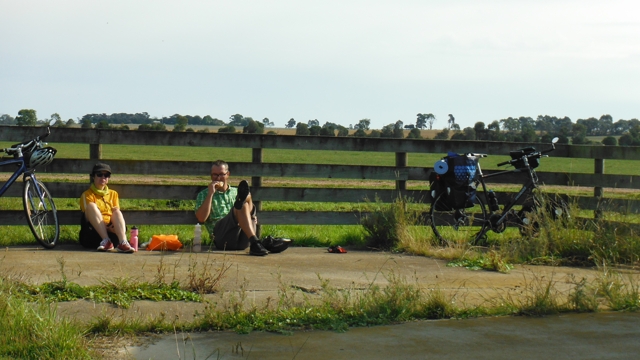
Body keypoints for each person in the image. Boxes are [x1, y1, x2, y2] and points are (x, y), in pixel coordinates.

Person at [195, 160, 269, 256]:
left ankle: (255, 242)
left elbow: (250, 212)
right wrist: (210, 194)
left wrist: (249, 205)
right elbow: (201, 218)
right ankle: (257, 242)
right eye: (214, 175)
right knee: (239, 205)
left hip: (242, 236)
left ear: (228, 174)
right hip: (222, 237)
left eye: (221, 174)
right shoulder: (204, 194)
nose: (218, 178)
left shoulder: (235, 192)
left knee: (244, 204)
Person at [79, 163, 134, 253]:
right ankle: (106, 240)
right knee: (91, 206)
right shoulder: (87, 195)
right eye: (99, 174)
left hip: (112, 234)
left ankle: (123, 242)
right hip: (92, 234)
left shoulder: (113, 194)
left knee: (117, 211)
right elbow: (88, 217)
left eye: (106, 175)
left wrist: (114, 228)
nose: (103, 177)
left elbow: (116, 216)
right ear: (93, 177)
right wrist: (107, 229)